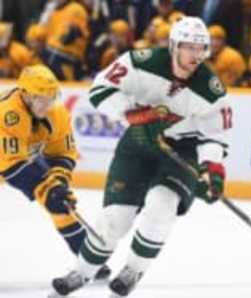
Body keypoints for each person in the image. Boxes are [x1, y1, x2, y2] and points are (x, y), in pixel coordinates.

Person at [50, 16, 231, 297]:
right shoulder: (140, 62)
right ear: (173, 46)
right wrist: (132, 115)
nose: (196, 55)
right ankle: (80, 272)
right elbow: (100, 90)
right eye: (189, 47)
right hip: (137, 141)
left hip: (180, 150)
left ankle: (133, 270)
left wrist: (212, 168)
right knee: (114, 219)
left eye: (201, 48)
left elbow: (215, 134)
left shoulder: (211, 89)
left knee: (161, 206)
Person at [0, 64, 110, 278]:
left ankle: (88, 259)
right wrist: (49, 188)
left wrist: (57, 181)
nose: (47, 104)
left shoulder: (57, 114)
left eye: (51, 97)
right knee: (50, 192)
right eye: (40, 98)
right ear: (25, 94)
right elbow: (10, 166)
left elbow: (63, 154)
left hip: (18, 159)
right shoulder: (7, 114)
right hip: (7, 160)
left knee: (60, 200)